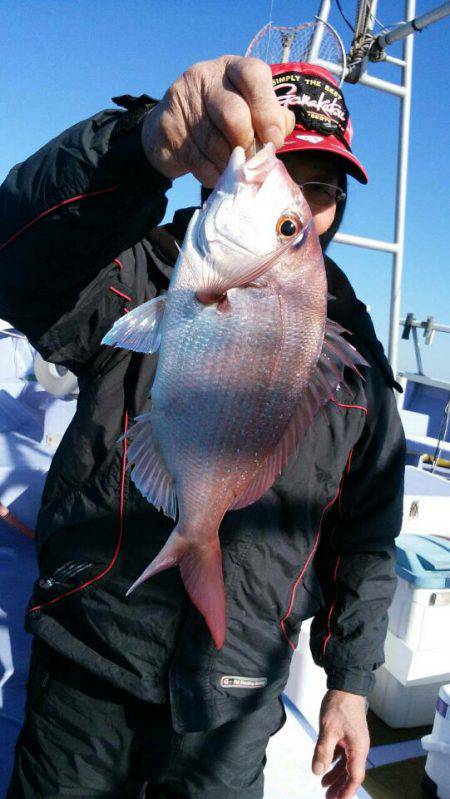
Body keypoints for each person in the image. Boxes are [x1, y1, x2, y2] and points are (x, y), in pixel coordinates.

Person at [0, 56, 405, 799]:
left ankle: (198, 536)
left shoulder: (357, 367)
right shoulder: (133, 273)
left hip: (236, 707)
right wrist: (136, 144)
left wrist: (349, 683)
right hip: (89, 665)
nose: (295, 193)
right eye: (275, 162)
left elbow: (367, 536)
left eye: (318, 189)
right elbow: (17, 263)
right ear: (214, 156)